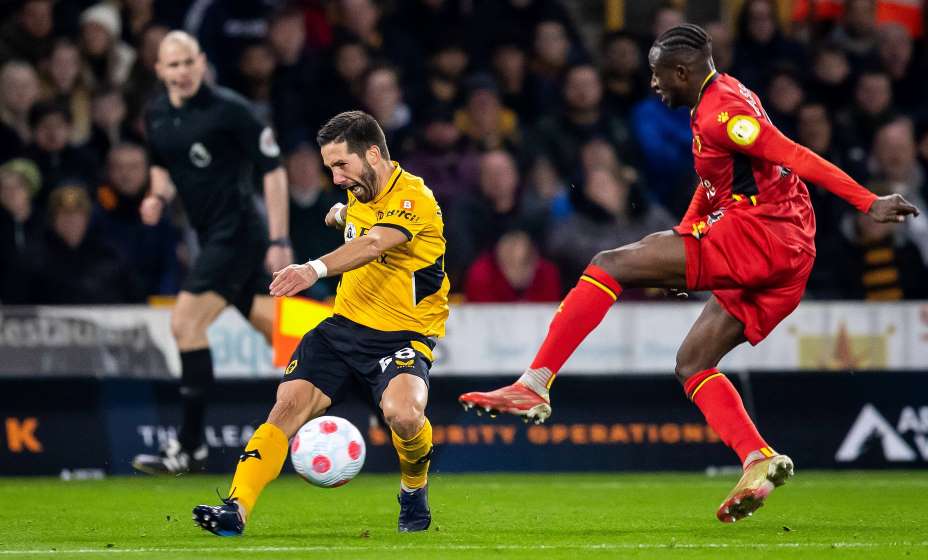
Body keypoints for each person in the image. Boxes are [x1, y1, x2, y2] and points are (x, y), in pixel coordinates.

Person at [459, 23, 919, 524]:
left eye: (658, 76)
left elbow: (794, 153)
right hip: (785, 251)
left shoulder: (724, 112)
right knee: (693, 361)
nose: (653, 86)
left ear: (682, 72)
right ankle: (758, 458)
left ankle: (535, 381)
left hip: (764, 236)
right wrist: (683, 238)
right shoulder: (719, 98)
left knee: (607, 265)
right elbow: (711, 184)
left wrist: (867, 200)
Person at [192, 110, 449, 536]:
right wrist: (341, 216)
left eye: (341, 165)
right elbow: (358, 225)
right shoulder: (360, 193)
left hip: (403, 336)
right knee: (286, 408)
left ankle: (413, 490)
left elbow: (373, 243)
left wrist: (312, 269)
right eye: (329, 168)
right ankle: (235, 509)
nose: (336, 178)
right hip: (341, 328)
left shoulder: (413, 199)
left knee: (404, 415)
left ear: (373, 154)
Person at [131, 31, 291, 474]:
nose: (181, 72)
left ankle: (189, 446)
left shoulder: (231, 111)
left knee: (185, 323)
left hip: (238, 234)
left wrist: (279, 241)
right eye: (172, 65)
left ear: (202, 62)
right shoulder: (157, 113)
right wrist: (157, 198)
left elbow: (273, 172)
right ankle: (376, 407)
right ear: (159, 69)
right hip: (210, 235)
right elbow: (162, 163)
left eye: (188, 62)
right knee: (283, 333)